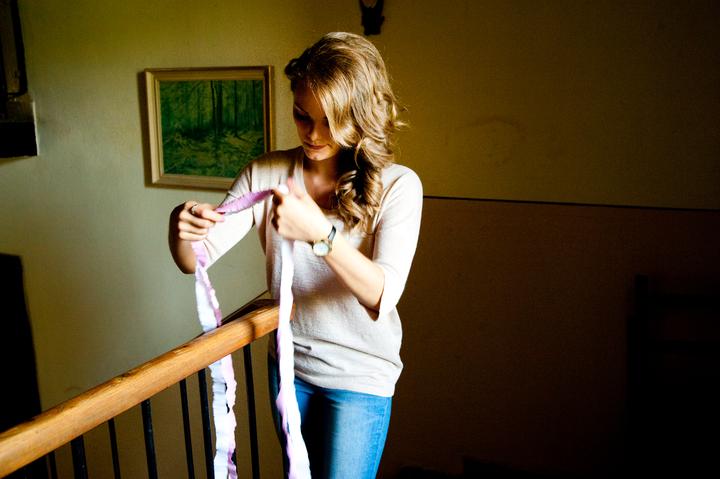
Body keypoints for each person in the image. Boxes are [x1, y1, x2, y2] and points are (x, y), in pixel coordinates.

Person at [168, 32, 423, 479]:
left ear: (359, 116)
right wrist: (180, 226)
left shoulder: (399, 186)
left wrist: (320, 235)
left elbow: (382, 294)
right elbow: (195, 259)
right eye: (302, 115)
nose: (313, 134)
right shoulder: (266, 172)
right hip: (290, 369)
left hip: (360, 378)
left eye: (330, 121)